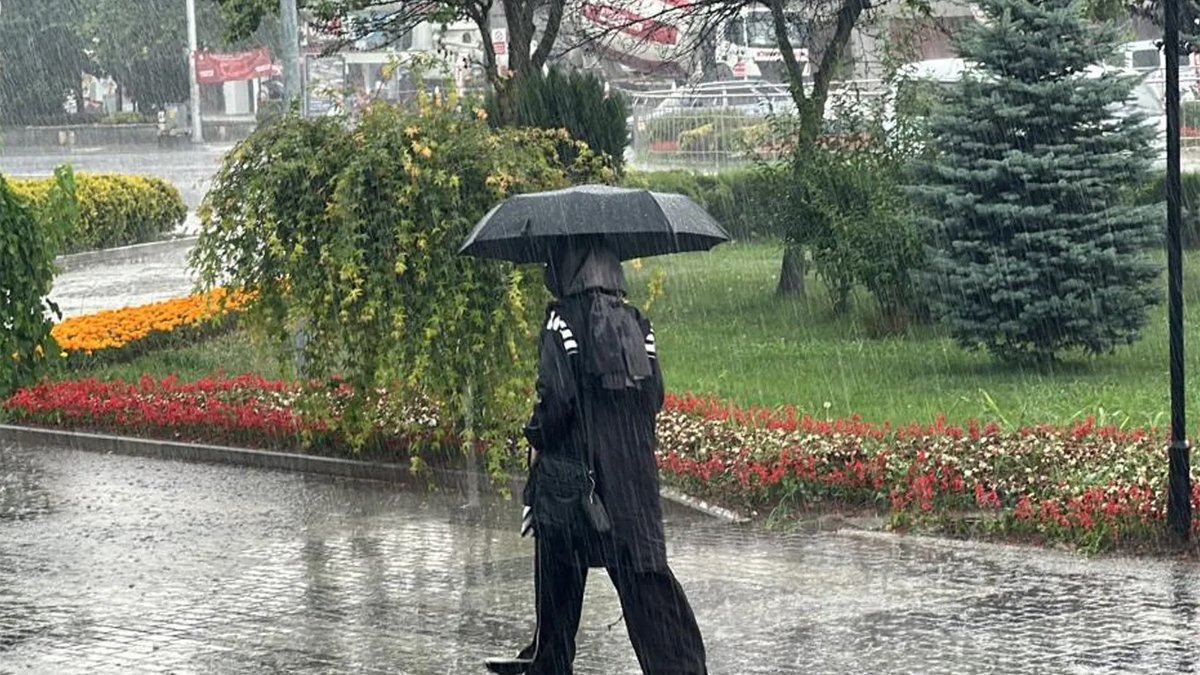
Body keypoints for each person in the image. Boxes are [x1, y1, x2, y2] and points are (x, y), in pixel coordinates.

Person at [513, 239, 707, 675]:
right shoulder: (638, 323)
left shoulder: (562, 322)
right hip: (632, 479)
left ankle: (548, 661)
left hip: (574, 480)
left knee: (558, 571)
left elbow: (557, 399)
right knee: (643, 576)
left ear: (566, 268)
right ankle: (680, 666)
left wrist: (536, 431)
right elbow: (653, 395)